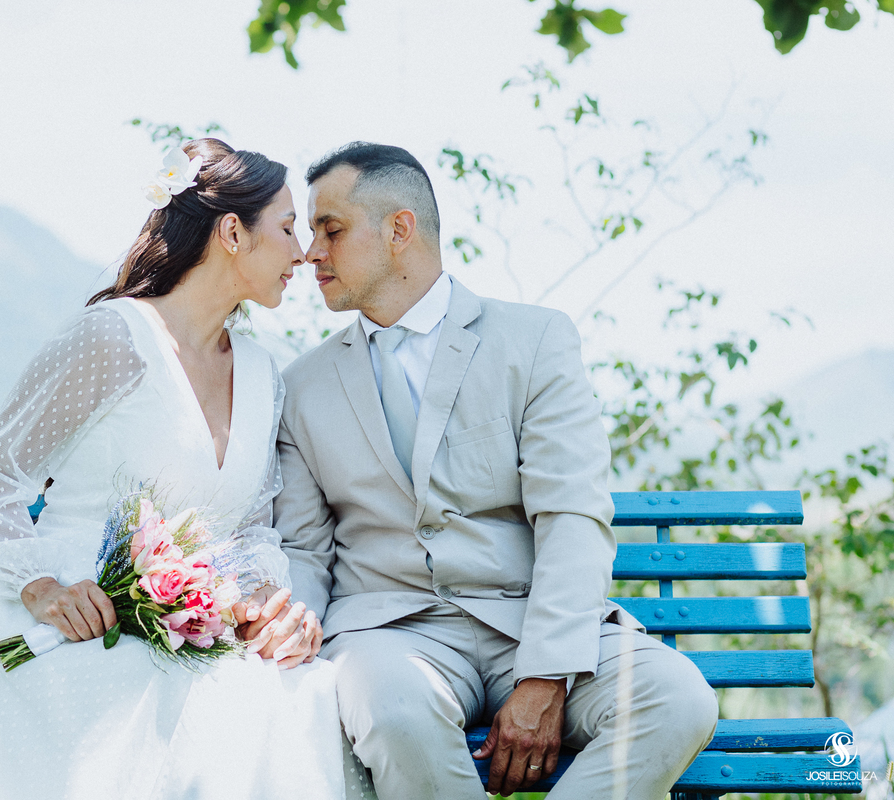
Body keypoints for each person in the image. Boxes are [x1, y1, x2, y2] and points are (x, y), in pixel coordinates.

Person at [0, 138, 375, 800]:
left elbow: (246, 533)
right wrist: (42, 588)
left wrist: (260, 609)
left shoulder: (264, 373)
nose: (302, 251)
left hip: (190, 637)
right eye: (289, 226)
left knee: (297, 701)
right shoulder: (112, 339)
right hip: (71, 628)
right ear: (233, 232)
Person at [249, 142, 720, 799]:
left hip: (530, 621)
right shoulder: (302, 386)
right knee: (394, 713)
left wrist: (547, 675)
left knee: (678, 700)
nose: (310, 253)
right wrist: (292, 619)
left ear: (399, 229)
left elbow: (572, 517)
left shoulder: (534, 341)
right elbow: (304, 547)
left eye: (330, 230)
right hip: (389, 637)